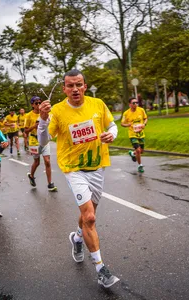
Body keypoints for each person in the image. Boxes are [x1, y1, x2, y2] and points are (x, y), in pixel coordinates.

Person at [37, 69, 120, 288]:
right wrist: (43, 120)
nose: (75, 89)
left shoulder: (97, 104)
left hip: (97, 166)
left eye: (79, 84)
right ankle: (101, 269)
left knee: (87, 216)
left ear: (84, 86)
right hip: (73, 169)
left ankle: (76, 238)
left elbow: (111, 125)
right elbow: (44, 141)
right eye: (70, 85)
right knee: (90, 218)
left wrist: (112, 134)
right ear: (64, 89)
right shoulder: (56, 111)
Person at [25, 96, 57, 192]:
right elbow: (26, 131)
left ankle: (50, 183)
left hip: (45, 141)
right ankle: (31, 176)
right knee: (37, 162)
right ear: (32, 105)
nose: (38, 104)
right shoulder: (28, 116)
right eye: (36, 103)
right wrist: (35, 126)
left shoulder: (46, 113)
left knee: (47, 161)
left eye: (40, 102)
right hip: (34, 141)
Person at [121, 97, 148, 173]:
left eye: (137, 102)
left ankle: (133, 153)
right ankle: (140, 165)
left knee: (141, 151)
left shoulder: (141, 110)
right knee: (138, 150)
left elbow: (145, 118)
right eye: (134, 103)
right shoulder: (126, 113)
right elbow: (122, 123)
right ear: (130, 104)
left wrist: (144, 124)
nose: (136, 104)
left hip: (141, 134)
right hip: (132, 134)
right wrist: (128, 124)